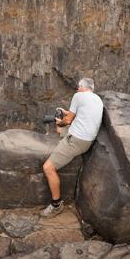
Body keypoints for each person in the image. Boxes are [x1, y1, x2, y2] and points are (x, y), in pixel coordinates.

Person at [40, 77, 104, 217]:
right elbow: (77, 116)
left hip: (76, 140)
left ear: (81, 87)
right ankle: (60, 128)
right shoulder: (97, 99)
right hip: (87, 139)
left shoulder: (78, 96)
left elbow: (68, 120)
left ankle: (56, 205)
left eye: (78, 88)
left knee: (48, 168)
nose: (77, 90)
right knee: (60, 128)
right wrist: (64, 113)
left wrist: (61, 121)